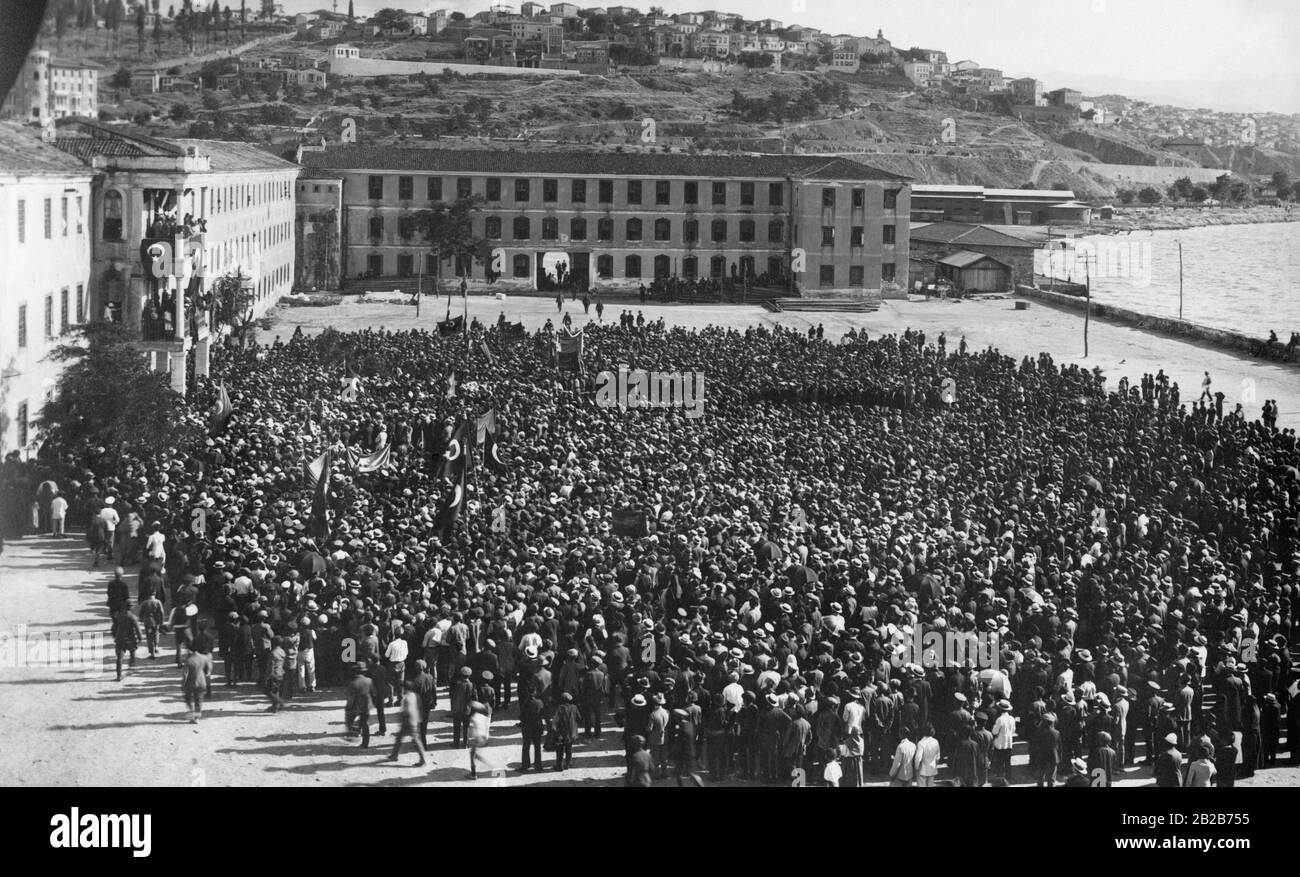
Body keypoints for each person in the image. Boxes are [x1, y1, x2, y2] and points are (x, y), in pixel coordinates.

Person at [387, 680, 429, 767]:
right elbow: (419, 707)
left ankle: (423, 760)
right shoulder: (415, 695)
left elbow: (407, 710)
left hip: (408, 721)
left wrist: (402, 717)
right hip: (414, 720)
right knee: (401, 739)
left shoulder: (406, 697)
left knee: (414, 741)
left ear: (405, 688)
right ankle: (394, 755)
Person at [181, 645, 214, 724]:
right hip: (201, 682)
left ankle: (192, 712)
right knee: (198, 700)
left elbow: (185, 674)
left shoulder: (189, 660)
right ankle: (196, 717)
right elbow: (208, 670)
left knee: (187, 698)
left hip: (190, 682)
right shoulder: (203, 658)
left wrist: (183, 684)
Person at [345, 663, 374, 748]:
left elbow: (350, 698)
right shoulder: (369, 680)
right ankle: (365, 743)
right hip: (366, 706)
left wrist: (348, 707)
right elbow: (374, 693)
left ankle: (352, 735)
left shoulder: (353, 683)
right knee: (365, 724)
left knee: (349, 720)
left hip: (356, 706)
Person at [519, 683, 545, 773]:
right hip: (537, 726)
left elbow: (521, 716)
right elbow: (543, 713)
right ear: (535, 692)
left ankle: (525, 765)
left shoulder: (525, 703)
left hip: (527, 727)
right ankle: (538, 766)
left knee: (526, 746)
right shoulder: (539, 702)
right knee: (537, 746)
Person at [111, 605, 141, 682]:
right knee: (132, 652)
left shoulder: (119, 616)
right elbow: (137, 629)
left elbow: (114, 628)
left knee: (119, 658)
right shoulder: (133, 617)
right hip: (130, 639)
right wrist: (140, 638)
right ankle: (131, 667)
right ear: (130, 607)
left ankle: (119, 675)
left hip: (120, 639)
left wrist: (115, 636)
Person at [552, 691, 581, 772]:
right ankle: (567, 764)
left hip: (561, 732)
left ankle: (559, 766)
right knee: (569, 749)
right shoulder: (574, 707)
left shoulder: (560, 708)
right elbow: (579, 718)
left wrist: (554, 730)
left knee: (560, 750)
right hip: (571, 732)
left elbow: (555, 720)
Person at [450, 665, 474, 748]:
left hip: (457, 709)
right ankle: (465, 744)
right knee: (466, 727)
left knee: (456, 727)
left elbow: (452, 695)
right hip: (467, 710)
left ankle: (456, 744)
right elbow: (473, 698)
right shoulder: (471, 685)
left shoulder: (456, 684)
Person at [467, 701, 492, 780]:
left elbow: (472, 732)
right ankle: (488, 764)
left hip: (478, 738)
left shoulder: (475, 718)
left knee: (472, 755)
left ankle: (473, 774)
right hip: (483, 738)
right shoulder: (484, 717)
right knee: (475, 754)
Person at [914, 724, 941, 788]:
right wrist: (935, 765)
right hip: (932, 768)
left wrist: (916, 767)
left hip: (922, 769)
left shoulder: (921, 743)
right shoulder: (936, 742)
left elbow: (918, 758)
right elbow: (938, 757)